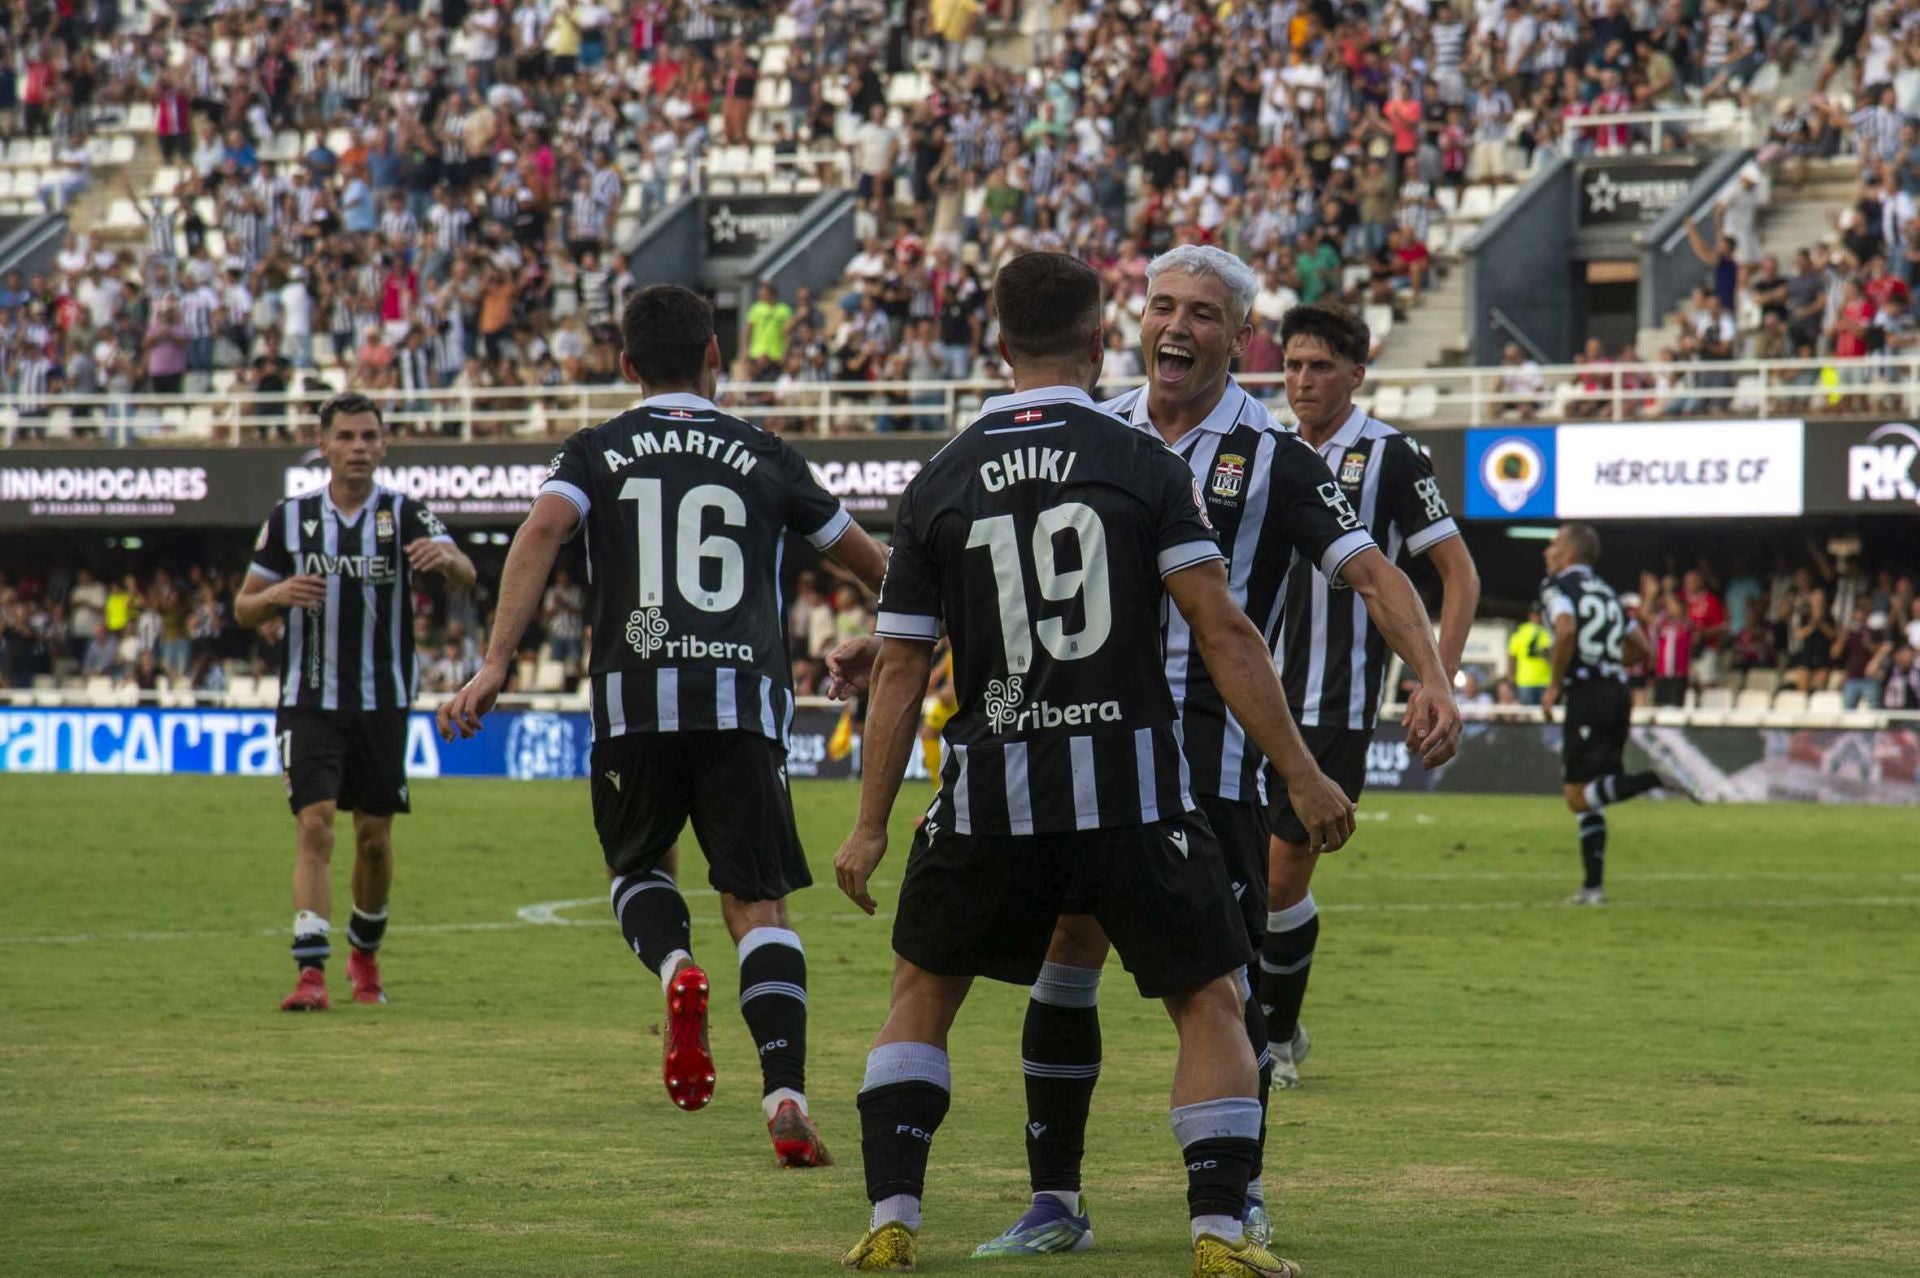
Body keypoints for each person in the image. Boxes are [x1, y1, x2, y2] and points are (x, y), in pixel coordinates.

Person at [827, 251, 1356, 1278]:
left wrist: (869, 823)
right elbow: (1222, 629)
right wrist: (1300, 769)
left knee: (922, 991)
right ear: (1103, 341)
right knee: (1209, 999)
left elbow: (898, 668)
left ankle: (894, 1214)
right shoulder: (1141, 462)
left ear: (997, 342)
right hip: (1133, 786)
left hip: (990, 790)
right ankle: (1215, 1231)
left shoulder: (942, 473)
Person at [950, 246, 1462, 1258]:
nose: (1176, 328)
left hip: (1209, 761)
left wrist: (1432, 673)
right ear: (1135, 322)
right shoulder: (1087, 430)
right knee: (1065, 957)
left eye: (1203, 314)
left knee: (1223, 989)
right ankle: (1054, 1201)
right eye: (1161, 307)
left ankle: (1239, 1196)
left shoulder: (1273, 454)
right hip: (1085, 748)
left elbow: (1372, 572)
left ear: (1239, 338)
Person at [437, 285, 888, 1167]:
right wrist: (890, 636)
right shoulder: (766, 453)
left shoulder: (597, 449)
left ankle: (677, 967)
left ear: (628, 366)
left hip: (632, 705)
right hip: (742, 706)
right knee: (760, 907)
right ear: (716, 356)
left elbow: (539, 533)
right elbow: (872, 561)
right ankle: (787, 1097)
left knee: (637, 865)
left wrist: (496, 663)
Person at [1261, 301, 1481, 1087]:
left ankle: (1274, 1037)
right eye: (1291, 365)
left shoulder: (1393, 456)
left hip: (1335, 704)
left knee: (1282, 877)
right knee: (1245, 879)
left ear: (1356, 374)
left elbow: (1459, 575)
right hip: (1249, 695)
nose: (1303, 380)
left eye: (1320, 366)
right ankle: (1270, 1028)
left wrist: (1435, 679)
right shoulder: (1262, 449)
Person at [235, 392, 476, 1011]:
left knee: (373, 835)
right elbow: (244, 606)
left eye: (369, 436)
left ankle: (363, 955)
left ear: (385, 444)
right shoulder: (290, 519)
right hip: (309, 700)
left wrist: (447, 559)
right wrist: (279, 594)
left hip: (384, 701)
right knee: (314, 824)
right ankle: (310, 973)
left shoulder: (406, 515)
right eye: (345, 437)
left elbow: (468, 574)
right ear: (324, 446)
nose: (358, 448)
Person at [1538, 525, 1702, 907]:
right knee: (1594, 793)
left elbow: (1564, 631)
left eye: (1554, 545)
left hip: (1587, 694)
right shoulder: (1608, 593)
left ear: (1569, 553)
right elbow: (1642, 648)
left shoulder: (1557, 588)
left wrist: (1555, 684)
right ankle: (1593, 889)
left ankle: (1653, 778)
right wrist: (1608, 662)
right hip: (1617, 693)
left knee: (1577, 796)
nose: (1548, 551)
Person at [1507, 605, 1554, 704]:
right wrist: (1511, 676)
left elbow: (1512, 656)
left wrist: (1511, 676)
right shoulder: (1546, 632)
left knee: (1533, 714)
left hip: (1542, 680)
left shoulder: (1521, 631)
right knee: (1532, 715)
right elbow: (1512, 656)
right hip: (1528, 680)